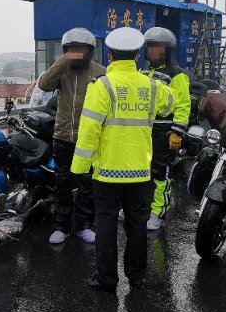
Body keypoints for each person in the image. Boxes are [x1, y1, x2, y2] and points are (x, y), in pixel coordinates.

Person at [71, 27, 176, 292]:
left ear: (109, 55)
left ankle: (107, 280)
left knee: (105, 224)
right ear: (138, 55)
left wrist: (80, 168)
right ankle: (137, 277)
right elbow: (170, 103)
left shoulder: (102, 86)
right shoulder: (152, 86)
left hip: (107, 171)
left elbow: (89, 130)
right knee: (137, 225)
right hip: (140, 170)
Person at [38, 28, 106, 244]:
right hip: (63, 136)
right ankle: (61, 227)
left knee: (87, 185)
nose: (77, 54)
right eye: (71, 50)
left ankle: (84, 226)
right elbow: (44, 84)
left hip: (90, 138)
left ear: (90, 51)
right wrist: (62, 61)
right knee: (62, 184)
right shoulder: (62, 71)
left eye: (81, 50)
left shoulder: (102, 72)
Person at [141, 27, 191, 230]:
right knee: (140, 172)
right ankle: (139, 208)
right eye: (150, 48)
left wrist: (178, 131)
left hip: (164, 131)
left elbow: (183, 105)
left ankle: (158, 212)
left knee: (161, 173)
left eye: (158, 49)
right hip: (142, 130)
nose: (154, 52)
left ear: (168, 51)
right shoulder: (142, 71)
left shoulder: (177, 75)